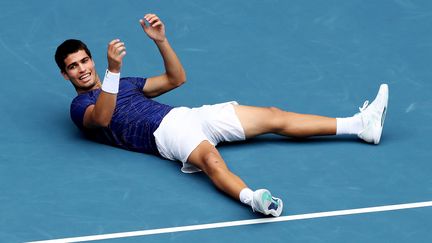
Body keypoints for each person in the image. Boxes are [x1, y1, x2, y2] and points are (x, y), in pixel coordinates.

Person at [54, 13, 389, 217]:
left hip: (190, 115)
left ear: (91, 60)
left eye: (84, 61)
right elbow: (102, 117)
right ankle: (254, 200)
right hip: (164, 135)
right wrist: (112, 71)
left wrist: (161, 41)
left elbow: (176, 79)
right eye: (73, 67)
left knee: (274, 116)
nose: (81, 69)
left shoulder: (125, 83)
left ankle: (361, 125)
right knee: (212, 162)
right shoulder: (80, 107)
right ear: (65, 75)